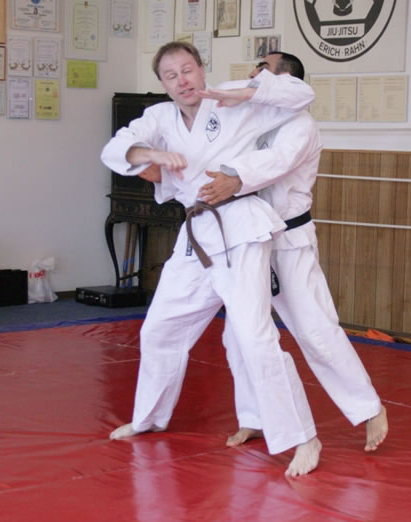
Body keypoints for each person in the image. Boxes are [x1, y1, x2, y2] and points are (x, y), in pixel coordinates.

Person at [100, 42, 321, 477]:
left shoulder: (233, 100)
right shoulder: (160, 118)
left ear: (202, 70)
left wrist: (248, 92)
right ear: (163, 84)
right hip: (196, 232)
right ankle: (149, 417)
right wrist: (152, 155)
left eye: (187, 70)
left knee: (254, 336)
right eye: (171, 75)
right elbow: (116, 148)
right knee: (160, 328)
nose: (182, 80)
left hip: (240, 228)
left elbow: (301, 95)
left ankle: (303, 437)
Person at [197, 52, 388, 466]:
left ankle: (368, 407)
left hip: (289, 239)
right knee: (240, 335)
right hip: (247, 237)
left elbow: (274, 164)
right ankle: (255, 417)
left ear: (284, 82)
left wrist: (233, 178)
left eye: (263, 68)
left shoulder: (301, 126)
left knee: (315, 330)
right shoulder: (250, 116)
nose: (253, 73)